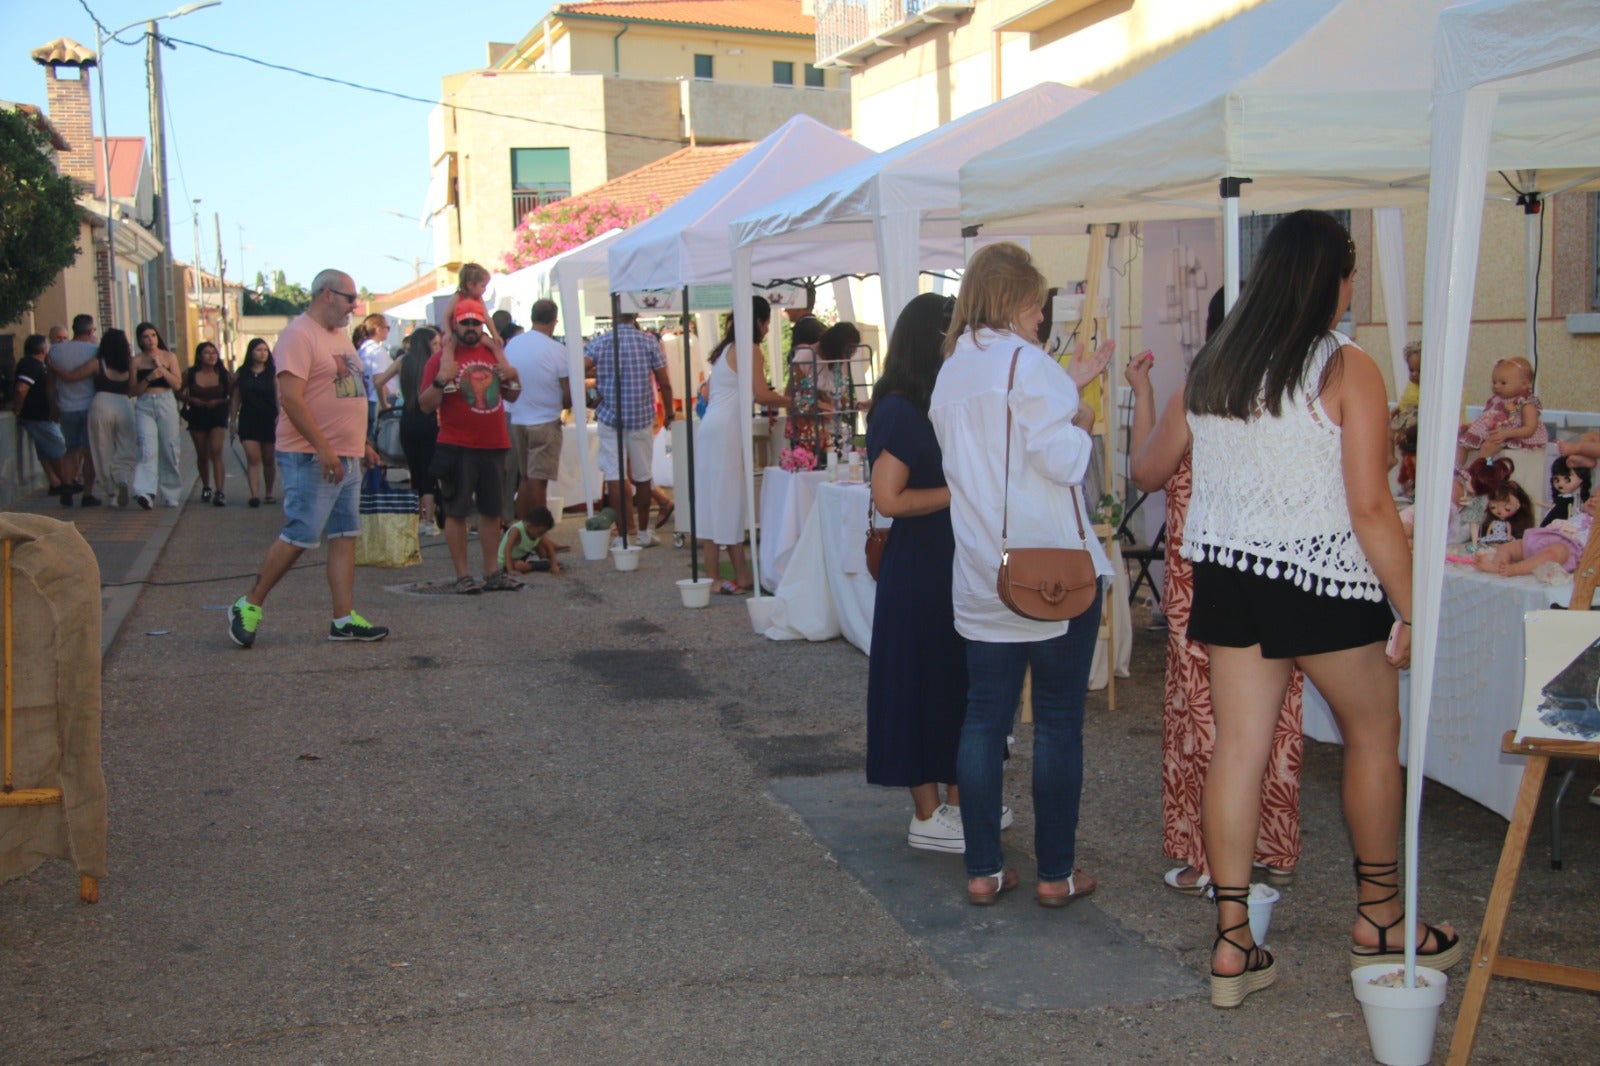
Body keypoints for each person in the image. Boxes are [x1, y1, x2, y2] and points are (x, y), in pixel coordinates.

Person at [1181, 210, 1458, 1009]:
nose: (1351, 290)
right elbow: (1370, 504)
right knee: (1374, 734)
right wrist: (1414, 606)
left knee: (1240, 750)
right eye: (1350, 274)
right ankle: (1380, 916)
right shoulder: (1344, 365)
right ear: (1328, 279)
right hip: (1322, 573)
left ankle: (1233, 941)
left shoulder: (1216, 365)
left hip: (1231, 572)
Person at [928, 241, 1114, 909]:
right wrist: (1082, 413)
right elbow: (1062, 459)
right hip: (1053, 571)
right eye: (1037, 305)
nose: (1042, 317)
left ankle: (983, 867)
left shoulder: (951, 371)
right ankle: (1056, 873)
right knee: (1059, 721)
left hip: (983, 571)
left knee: (984, 719)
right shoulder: (1025, 364)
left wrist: (1067, 380)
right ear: (1013, 303)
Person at [1125, 291, 1304, 897]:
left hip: (1206, 578)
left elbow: (1147, 474)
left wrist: (1145, 396)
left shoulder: (1203, 392)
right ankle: (1274, 846)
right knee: (1275, 711)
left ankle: (1210, 857)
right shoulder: (1295, 393)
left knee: (1209, 716)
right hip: (1281, 570)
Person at [866, 293, 1014, 854]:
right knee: (920, 684)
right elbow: (889, 498)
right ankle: (928, 815)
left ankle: (958, 802)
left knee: (952, 682)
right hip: (921, 567)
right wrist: (961, 492)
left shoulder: (926, 403)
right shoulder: (902, 410)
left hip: (943, 561)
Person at [227, 269, 388, 647]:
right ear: (327, 295)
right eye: (351, 299)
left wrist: (360, 443)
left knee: (345, 535)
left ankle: (343, 618)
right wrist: (322, 447)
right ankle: (248, 604)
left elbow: (344, 392)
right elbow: (292, 399)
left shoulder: (339, 337)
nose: (356, 307)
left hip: (345, 455)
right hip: (310, 457)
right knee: (301, 533)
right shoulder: (299, 334)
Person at [419, 296, 523, 593]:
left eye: (476, 322)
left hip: (494, 444)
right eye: (464, 322)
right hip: (457, 445)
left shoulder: (494, 354)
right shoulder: (440, 358)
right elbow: (424, 405)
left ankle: (492, 572)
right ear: (455, 324)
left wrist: (514, 377)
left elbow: (513, 395)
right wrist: (441, 381)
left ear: (483, 325)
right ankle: (463, 575)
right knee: (457, 512)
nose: (470, 328)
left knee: (492, 511)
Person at [693, 298, 788, 593]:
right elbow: (761, 394)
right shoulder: (750, 350)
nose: (768, 327)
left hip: (711, 426)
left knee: (712, 502)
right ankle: (737, 573)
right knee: (731, 501)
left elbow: (709, 394)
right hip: (727, 431)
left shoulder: (725, 350)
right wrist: (793, 401)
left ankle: (719, 574)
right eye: (767, 321)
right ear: (758, 322)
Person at [586, 311, 673, 547]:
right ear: (634, 315)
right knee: (643, 476)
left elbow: (580, 369)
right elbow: (663, 380)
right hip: (640, 416)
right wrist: (669, 411)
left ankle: (624, 535)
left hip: (609, 416)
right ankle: (643, 532)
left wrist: (593, 395)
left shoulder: (600, 342)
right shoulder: (648, 341)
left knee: (615, 476)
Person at [503, 299, 570, 523]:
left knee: (525, 478)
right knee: (538, 481)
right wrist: (568, 407)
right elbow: (566, 390)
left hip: (518, 418)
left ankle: (522, 530)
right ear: (554, 320)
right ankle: (539, 535)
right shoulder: (557, 349)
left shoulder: (513, 344)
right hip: (545, 420)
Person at [375, 327, 443, 536]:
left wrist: (385, 404)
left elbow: (378, 382)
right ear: (427, 344)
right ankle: (429, 520)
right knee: (430, 471)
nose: (438, 347)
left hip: (407, 419)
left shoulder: (403, 361)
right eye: (435, 343)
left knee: (415, 469)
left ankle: (418, 515)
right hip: (430, 419)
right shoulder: (434, 364)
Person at [48, 314, 100, 506]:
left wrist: (53, 406)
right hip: (89, 405)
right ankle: (87, 493)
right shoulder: (95, 351)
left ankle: (68, 486)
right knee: (89, 452)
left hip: (66, 406)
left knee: (70, 449)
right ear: (90, 331)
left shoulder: (55, 351)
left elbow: (50, 383)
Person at [1456, 355, 1547, 466]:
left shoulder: (1526, 403)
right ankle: (1455, 472)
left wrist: (1507, 433)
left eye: (1503, 383)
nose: (1496, 386)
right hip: (1495, 433)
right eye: (1494, 382)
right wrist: (1473, 426)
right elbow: (1489, 419)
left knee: (1488, 447)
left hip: (1514, 436)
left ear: (1524, 384)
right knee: (1463, 444)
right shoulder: (1496, 400)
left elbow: (1529, 429)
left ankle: (1485, 470)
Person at [1476, 493, 1596, 576]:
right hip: (1546, 539)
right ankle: (1497, 565)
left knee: (1553, 552)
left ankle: (1515, 569)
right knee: (1510, 546)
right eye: (1592, 496)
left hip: (1570, 549)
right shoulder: (1579, 515)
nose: (1594, 500)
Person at [131, 322, 184, 509]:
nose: (150, 339)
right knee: (147, 447)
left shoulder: (169, 357)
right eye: (146, 336)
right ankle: (145, 491)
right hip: (145, 403)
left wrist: (162, 369)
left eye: (153, 335)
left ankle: (171, 492)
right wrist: (148, 378)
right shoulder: (136, 361)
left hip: (166, 401)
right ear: (140, 340)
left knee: (169, 447)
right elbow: (132, 390)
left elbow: (178, 385)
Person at [87, 327, 141, 507]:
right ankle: (122, 477)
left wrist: (54, 366)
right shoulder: (130, 364)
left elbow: (73, 376)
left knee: (102, 448)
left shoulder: (97, 363)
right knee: (127, 446)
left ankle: (111, 492)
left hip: (101, 404)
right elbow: (134, 388)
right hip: (125, 404)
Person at [13, 334, 68, 498]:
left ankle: (55, 481)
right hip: (37, 416)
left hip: (40, 416)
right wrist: (18, 408)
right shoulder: (32, 365)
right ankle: (66, 482)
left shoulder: (37, 364)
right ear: (43, 349)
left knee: (45, 450)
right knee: (59, 448)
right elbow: (21, 388)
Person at [230, 338, 280, 507]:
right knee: (253, 458)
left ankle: (269, 492)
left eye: (265, 350)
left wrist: (280, 416)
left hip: (268, 420)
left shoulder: (273, 373)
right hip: (248, 420)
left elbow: (278, 396)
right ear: (251, 352)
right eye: (258, 350)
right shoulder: (242, 373)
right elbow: (236, 398)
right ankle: (254, 495)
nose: (262, 353)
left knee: (268, 459)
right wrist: (232, 421)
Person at [181, 341, 232, 506]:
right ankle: (206, 486)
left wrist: (219, 401)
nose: (211, 356)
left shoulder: (223, 375)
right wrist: (191, 399)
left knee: (216, 452)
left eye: (214, 353)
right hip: (197, 415)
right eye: (207, 353)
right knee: (202, 454)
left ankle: (220, 491)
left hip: (218, 415)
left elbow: (233, 395)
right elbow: (177, 391)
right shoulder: (190, 373)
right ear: (199, 356)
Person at [498, 506, 560, 576]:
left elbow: (550, 548)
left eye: (544, 532)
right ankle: (533, 566)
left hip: (521, 557)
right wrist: (511, 570)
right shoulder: (517, 530)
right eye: (541, 532)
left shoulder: (537, 532)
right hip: (505, 561)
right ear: (529, 526)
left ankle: (541, 564)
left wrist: (554, 565)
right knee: (519, 566)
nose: (542, 534)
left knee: (543, 552)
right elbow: (507, 549)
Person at [356, 313, 392, 435]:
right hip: (376, 400)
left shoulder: (362, 349)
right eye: (387, 328)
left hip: (366, 398)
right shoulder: (377, 351)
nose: (388, 331)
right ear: (378, 329)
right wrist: (385, 403)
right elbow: (379, 380)